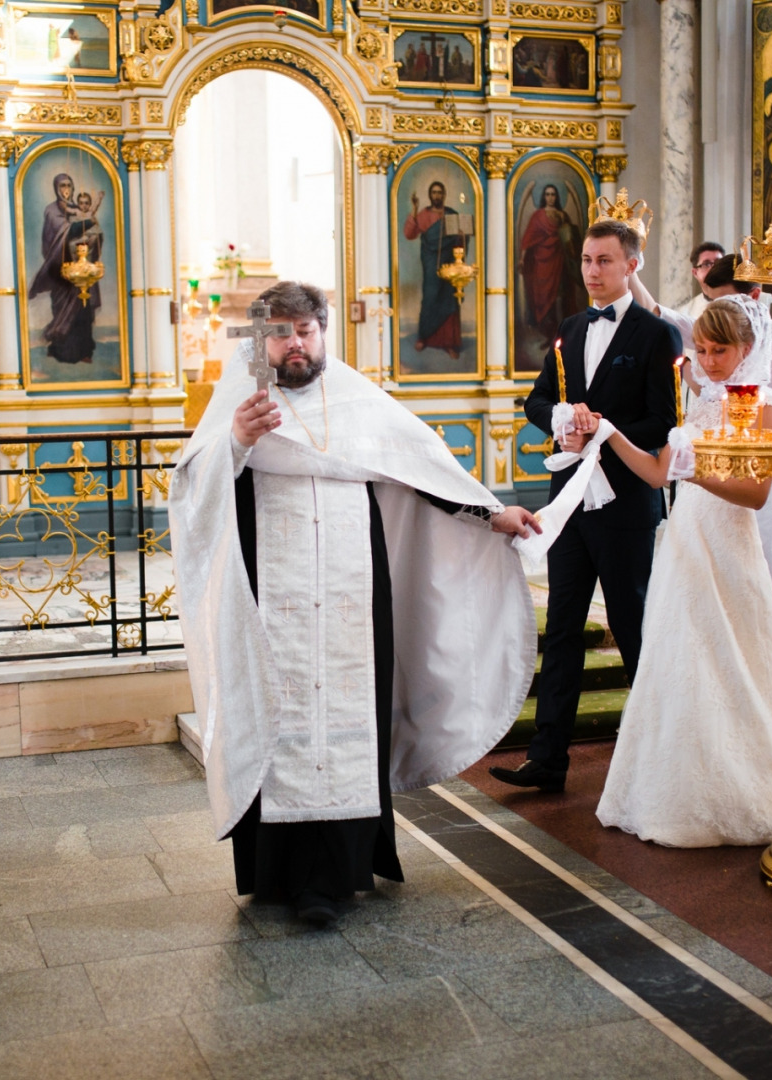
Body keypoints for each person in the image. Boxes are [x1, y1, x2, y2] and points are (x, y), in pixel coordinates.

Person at [170, 280, 539, 925]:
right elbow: (191, 486)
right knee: (282, 715)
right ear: (262, 341)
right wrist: (233, 442)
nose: (295, 344)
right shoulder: (241, 403)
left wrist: (493, 514)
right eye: (281, 333)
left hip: (352, 595)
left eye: (306, 331)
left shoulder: (358, 399)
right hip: (272, 595)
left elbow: (423, 470)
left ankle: (340, 871)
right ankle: (287, 875)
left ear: (322, 332)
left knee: (348, 715)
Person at [594, 297, 772, 846]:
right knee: (681, 664)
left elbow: (755, 493)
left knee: (735, 662)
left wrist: (694, 474)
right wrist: (609, 433)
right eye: (701, 349)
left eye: (719, 349)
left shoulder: (764, 405)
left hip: (729, 545)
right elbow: (657, 474)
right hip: (685, 544)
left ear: (747, 347)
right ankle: (677, 789)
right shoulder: (701, 400)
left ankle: (751, 782)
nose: (708, 359)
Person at [489, 218, 681, 794]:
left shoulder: (656, 334)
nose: (592, 271)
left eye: (603, 261)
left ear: (631, 265)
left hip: (625, 501)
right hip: (568, 502)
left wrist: (602, 429)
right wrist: (563, 420)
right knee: (565, 627)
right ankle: (548, 759)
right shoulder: (570, 328)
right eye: (586, 261)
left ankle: (658, 755)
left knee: (631, 626)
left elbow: (664, 421)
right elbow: (537, 399)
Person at [631, 253, 772, 598]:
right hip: (706, 490)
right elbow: (666, 319)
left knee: (755, 589)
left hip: (752, 466)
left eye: (723, 301)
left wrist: (697, 366)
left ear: (751, 298)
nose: (716, 311)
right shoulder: (717, 359)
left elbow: (734, 384)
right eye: (711, 302)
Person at [27, 173, 104, 365]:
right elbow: (58, 236)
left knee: (83, 312)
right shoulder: (51, 211)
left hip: (82, 270)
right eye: (62, 186)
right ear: (56, 188)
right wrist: (85, 224)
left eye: (69, 185)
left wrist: (92, 240)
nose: (66, 190)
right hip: (61, 272)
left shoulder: (79, 209)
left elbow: (93, 233)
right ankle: (61, 350)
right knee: (61, 310)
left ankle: (84, 351)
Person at [402, 180, 465, 356]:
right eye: (434, 192)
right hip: (431, 262)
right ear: (430, 195)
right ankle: (424, 337)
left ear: (444, 195)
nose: (437, 195)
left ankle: (449, 342)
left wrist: (461, 236)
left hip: (450, 262)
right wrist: (414, 209)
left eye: (440, 192)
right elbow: (409, 234)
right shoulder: (424, 214)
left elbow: (459, 241)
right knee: (430, 297)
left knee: (449, 298)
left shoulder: (452, 215)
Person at [517, 182, 581, 345]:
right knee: (545, 298)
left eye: (553, 194)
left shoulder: (563, 215)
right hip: (542, 262)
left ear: (557, 197)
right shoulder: (538, 216)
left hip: (560, 262)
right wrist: (523, 258)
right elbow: (527, 240)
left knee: (561, 297)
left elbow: (571, 239)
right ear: (543, 196)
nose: (550, 198)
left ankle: (562, 334)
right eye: (548, 194)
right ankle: (550, 333)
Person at [682, 240, 725, 319]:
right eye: (707, 264)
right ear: (695, 273)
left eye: (718, 262)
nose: (713, 268)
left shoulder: (741, 303)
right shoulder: (687, 313)